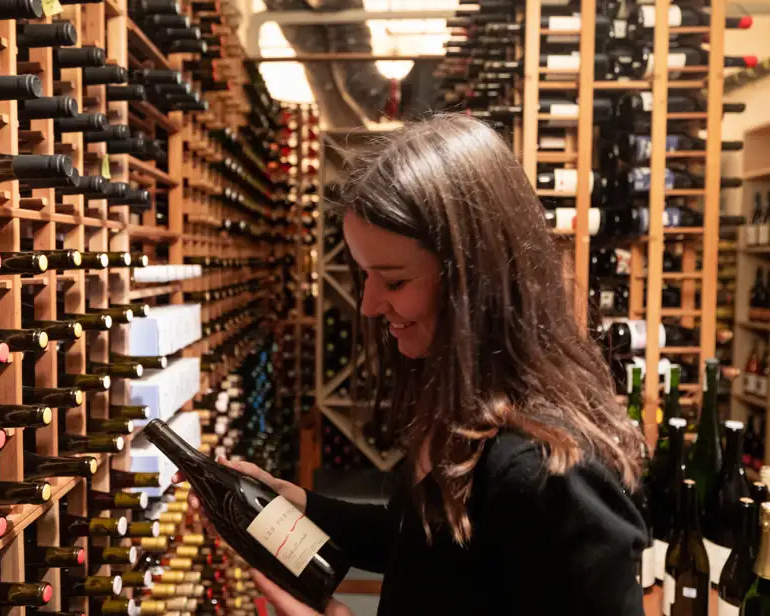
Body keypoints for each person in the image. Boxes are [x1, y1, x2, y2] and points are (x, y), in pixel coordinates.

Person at [176, 114, 648, 615]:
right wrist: (304, 508)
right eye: (365, 276)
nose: (368, 305)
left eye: (395, 281)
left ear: (474, 279)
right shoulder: (466, 408)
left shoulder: (548, 470)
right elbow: (428, 547)